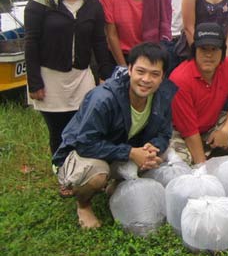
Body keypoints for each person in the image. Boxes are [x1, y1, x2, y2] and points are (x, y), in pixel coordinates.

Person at [52, 42, 176, 228]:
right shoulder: (103, 98)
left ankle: (116, 183)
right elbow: (85, 144)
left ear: (162, 77)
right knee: (96, 175)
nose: (146, 79)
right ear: (130, 69)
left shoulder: (162, 96)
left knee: (167, 154)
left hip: (120, 147)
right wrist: (130, 153)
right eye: (140, 71)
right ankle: (83, 205)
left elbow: (164, 133)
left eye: (154, 74)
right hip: (83, 153)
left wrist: (152, 147)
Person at [25, 0, 113, 178]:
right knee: (58, 130)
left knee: (84, 124)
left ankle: (83, 168)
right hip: (49, 76)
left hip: (81, 75)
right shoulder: (40, 2)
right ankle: (62, 171)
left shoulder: (92, 4)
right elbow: (31, 43)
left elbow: (99, 42)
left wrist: (106, 72)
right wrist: (34, 82)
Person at [169, 22, 228, 165]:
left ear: (222, 51)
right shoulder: (179, 79)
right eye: (203, 49)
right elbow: (189, 131)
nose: (209, 55)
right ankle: (206, 159)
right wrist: (203, 169)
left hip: (210, 126)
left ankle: (218, 154)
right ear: (195, 51)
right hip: (181, 132)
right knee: (180, 162)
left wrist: (226, 131)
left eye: (214, 49)